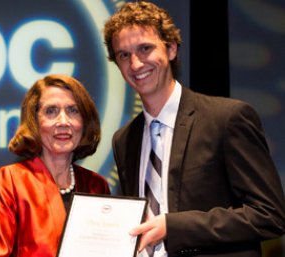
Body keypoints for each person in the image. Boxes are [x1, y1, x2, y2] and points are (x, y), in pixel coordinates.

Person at [104, 1, 285, 257]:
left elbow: (269, 215)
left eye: (145, 49)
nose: (135, 64)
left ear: (171, 49)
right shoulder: (124, 140)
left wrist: (173, 226)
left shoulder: (226, 118)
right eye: (124, 55)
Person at [0, 74, 110, 257]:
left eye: (73, 110)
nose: (63, 122)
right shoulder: (11, 180)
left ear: (85, 122)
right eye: (51, 111)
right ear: (35, 122)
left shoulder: (96, 185)